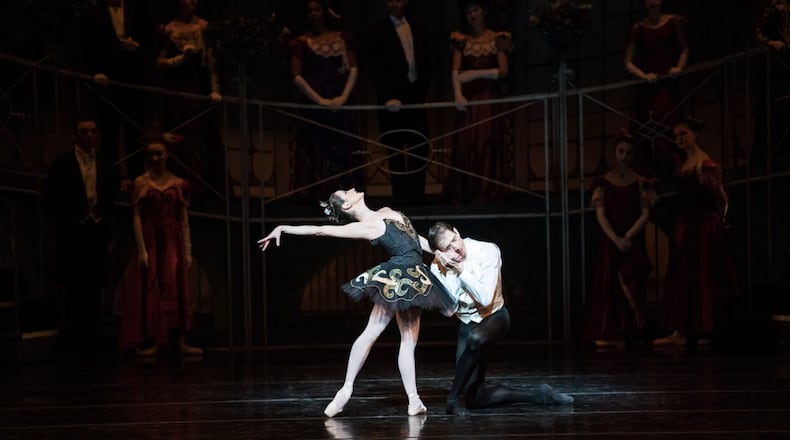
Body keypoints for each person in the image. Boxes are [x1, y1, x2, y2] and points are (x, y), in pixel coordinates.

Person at [257, 188, 455, 417]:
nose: (352, 189)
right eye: (346, 192)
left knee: (388, 337)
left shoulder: (385, 210)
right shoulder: (366, 226)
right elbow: (321, 230)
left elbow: (415, 239)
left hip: (410, 275)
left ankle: (411, 400)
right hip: (401, 278)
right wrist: (283, 228)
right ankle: (350, 389)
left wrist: (439, 252)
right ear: (348, 206)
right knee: (388, 337)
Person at [427, 221, 574, 416]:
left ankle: (452, 399)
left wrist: (461, 269)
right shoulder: (438, 267)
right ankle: (539, 395)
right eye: (448, 247)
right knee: (475, 400)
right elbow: (449, 310)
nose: (456, 247)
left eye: (455, 239)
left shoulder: (487, 250)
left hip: (495, 317)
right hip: (467, 323)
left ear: (457, 231)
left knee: (476, 338)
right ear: (439, 252)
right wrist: (449, 271)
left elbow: (486, 298)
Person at [653, 117, 738, 348]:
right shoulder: (682, 163)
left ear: (695, 135)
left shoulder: (705, 163)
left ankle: (704, 329)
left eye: (683, 134)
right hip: (685, 225)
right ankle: (679, 330)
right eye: (676, 136)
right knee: (682, 276)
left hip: (701, 225)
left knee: (701, 275)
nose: (679, 139)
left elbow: (722, 199)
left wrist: (720, 217)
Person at [118, 135, 202, 356]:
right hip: (151, 236)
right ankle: (156, 340)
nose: (155, 158)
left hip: (171, 237)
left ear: (167, 155)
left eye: (159, 153)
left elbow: (184, 219)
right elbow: (136, 216)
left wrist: (188, 248)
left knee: (175, 285)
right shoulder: (141, 182)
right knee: (153, 286)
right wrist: (143, 250)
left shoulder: (177, 183)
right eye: (151, 154)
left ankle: (180, 340)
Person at [44, 116, 118, 354]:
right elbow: (51, 199)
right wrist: (71, 218)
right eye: (84, 132)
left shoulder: (106, 164)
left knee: (95, 283)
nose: (89, 136)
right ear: (75, 135)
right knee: (74, 285)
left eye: (92, 131)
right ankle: (75, 337)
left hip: (96, 229)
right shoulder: (62, 164)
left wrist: (105, 223)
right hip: (73, 231)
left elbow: (110, 197)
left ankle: (91, 336)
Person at [583, 131, 656, 350]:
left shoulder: (640, 182)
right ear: (615, 153)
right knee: (610, 286)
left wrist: (627, 237)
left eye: (629, 153)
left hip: (631, 240)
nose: (624, 156)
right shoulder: (604, 182)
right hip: (611, 241)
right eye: (621, 151)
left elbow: (645, 214)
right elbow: (600, 214)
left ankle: (635, 331)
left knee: (633, 283)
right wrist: (615, 239)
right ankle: (612, 332)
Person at [288, 0, 362, 200]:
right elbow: (296, 75)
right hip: (314, 99)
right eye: (309, 11)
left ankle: (346, 193)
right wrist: (319, 99)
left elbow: (354, 68)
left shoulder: (342, 38)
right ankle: (317, 193)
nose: (313, 14)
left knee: (341, 142)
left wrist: (343, 97)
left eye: (317, 10)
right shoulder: (301, 42)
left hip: (339, 97)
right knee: (316, 143)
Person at [444, 0, 513, 204]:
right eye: (468, 12)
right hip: (469, 99)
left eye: (475, 11)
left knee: (487, 141)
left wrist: (474, 74)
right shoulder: (461, 40)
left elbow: (503, 71)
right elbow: (455, 71)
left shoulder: (497, 38)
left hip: (488, 98)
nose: (472, 16)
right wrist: (457, 94)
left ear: (484, 11)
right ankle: (467, 191)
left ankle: (488, 191)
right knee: (468, 143)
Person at [366, 0, 432, 206]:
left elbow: (427, 62)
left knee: (419, 145)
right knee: (395, 148)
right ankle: (400, 197)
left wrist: (422, 92)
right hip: (392, 98)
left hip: (415, 95)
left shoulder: (419, 27)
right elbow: (376, 67)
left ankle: (417, 196)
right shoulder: (377, 31)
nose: (395, 4)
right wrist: (387, 96)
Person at [157, 0, 224, 196]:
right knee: (178, 134)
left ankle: (200, 185)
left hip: (198, 89)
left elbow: (211, 62)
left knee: (199, 136)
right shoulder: (170, 28)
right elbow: (159, 62)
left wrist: (215, 88)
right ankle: (176, 183)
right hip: (176, 89)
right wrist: (179, 59)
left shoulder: (203, 26)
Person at [624, 0, 689, 180]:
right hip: (649, 85)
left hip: (668, 81)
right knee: (650, 124)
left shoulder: (672, 21)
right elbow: (628, 61)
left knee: (671, 121)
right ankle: (654, 174)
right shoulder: (638, 29)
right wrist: (642, 75)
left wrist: (679, 67)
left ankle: (677, 169)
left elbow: (684, 47)